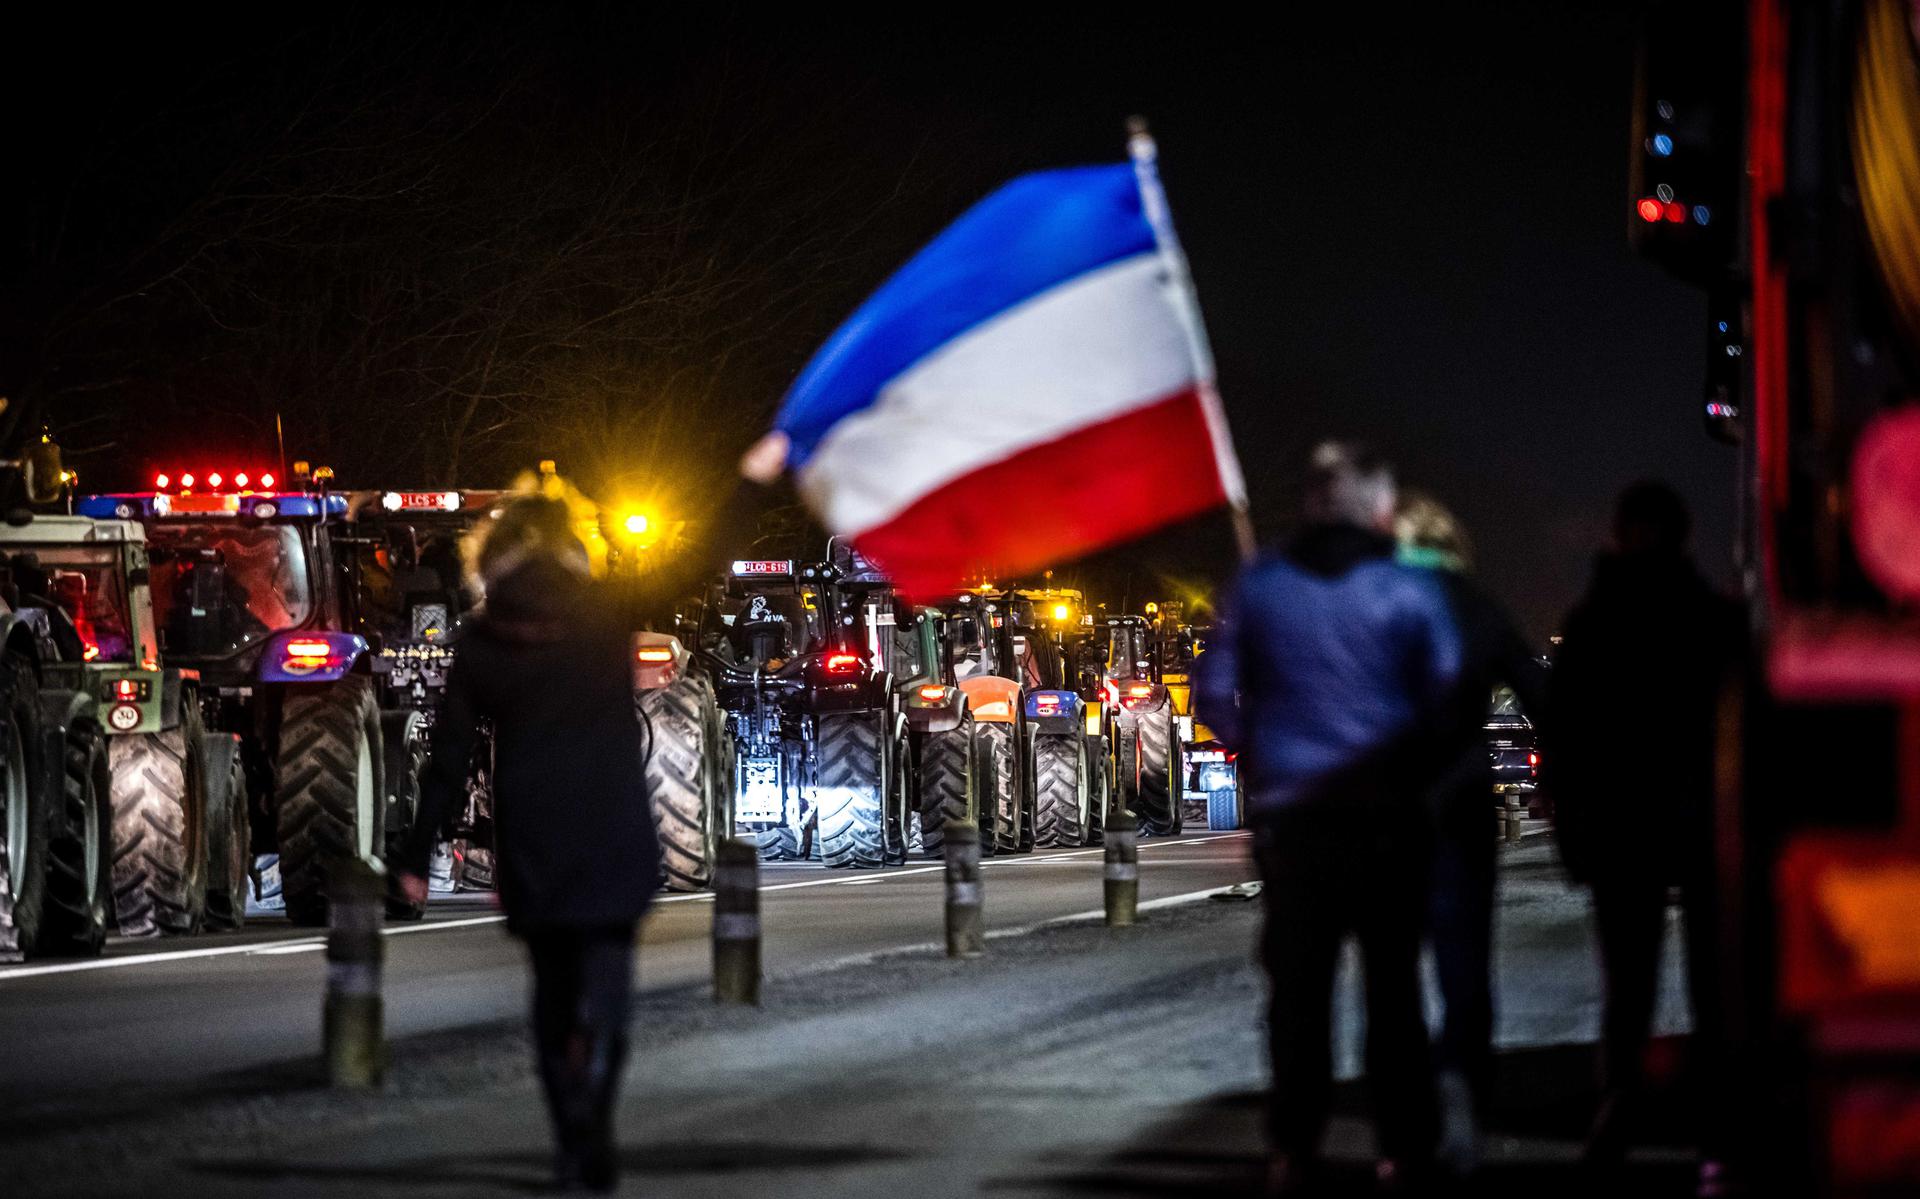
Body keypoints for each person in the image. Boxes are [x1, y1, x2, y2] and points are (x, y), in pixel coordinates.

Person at [1196, 441, 1462, 1195]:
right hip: (1387, 822)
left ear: (1310, 502)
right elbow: (1448, 695)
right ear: (1382, 509)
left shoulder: (1259, 584)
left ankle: (1294, 1148)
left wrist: (1263, 749)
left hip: (1295, 825)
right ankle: (1405, 1149)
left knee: (1297, 995)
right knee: (1395, 993)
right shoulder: (1410, 590)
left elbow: (1213, 693)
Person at [396, 495, 661, 1192]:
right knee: (607, 994)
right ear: (572, 548)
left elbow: (449, 758)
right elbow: (693, 559)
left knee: (551, 997)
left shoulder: (483, 640)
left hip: (535, 842)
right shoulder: (608, 613)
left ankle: (569, 1138)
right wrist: (755, 476)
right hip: (613, 834)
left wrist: (417, 854)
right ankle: (595, 1128)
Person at [1540, 480, 1741, 1191]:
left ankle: (1617, 1117)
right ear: (1685, 536)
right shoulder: (1717, 619)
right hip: (1703, 826)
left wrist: (1573, 835)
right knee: (1716, 991)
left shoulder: (1592, 624)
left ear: (1619, 534)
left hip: (1622, 829)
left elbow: (1560, 742)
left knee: (1627, 987)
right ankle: (1717, 1137)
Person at [1393, 492, 1548, 1178]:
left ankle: (1401, 1126)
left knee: (1390, 971)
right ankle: (1463, 1091)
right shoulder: (1478, 607)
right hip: (1460, 812)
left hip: (1386, 812)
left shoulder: (1376, 608)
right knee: (1465, 969)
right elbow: (1542, 696)